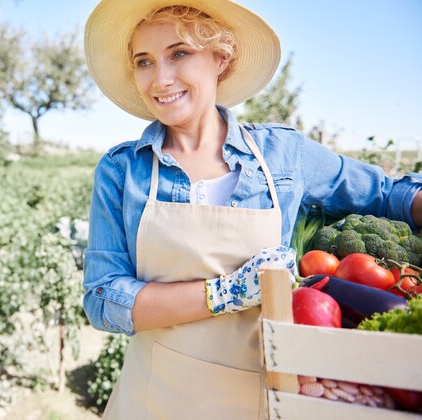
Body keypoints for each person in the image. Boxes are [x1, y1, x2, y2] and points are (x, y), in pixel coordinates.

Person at [82, 0, 422, 418]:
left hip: (265, 393)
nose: (161, 78)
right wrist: (226, 293)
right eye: (144, 62)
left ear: (220, 58)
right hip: (155, 397)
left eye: (179, 53)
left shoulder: (282, 154)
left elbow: (390, 194)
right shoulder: (123, 170)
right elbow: (103, 299)